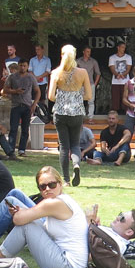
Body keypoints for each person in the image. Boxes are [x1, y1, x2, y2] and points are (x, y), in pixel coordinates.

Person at [0, 166, 88, 268]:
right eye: (42, 187)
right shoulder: (64, 199)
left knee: (27, 225)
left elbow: (18, 220)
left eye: (52, 185)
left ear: (60, 184)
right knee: (27, 218)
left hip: (69, 267)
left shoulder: (52, 203)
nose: (47, 189)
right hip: (71, 263)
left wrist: (20, 214)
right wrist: (23, 213)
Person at [48, 44, 93, 186]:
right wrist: (76, 97)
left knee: (63, 145)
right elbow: (88, 95)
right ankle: (76, 165)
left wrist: (63, 98)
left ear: (62, 55)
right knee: (75, 144)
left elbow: (50, 96)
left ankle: (66, 180)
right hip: (77, 113)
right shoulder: (83, 72)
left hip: (61, 113)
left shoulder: (56, 73)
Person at [3, 59, 39, 158]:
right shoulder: (12, 77)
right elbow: (5, 89)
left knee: (25, 129)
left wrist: (34, 104)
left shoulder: (31, 77)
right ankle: (10, 150)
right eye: (21, 65)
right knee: (13, 128)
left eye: (24, 66)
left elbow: (37, 91)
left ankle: (22, 150)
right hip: (16, 105)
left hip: (27, 106)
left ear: (27, 66)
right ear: (18, 66)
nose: (22, 67)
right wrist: (15, 91)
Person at [29, 44, 53, 121]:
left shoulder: (47, 60)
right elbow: (30, 70)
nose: (37, 51)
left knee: (42, 99)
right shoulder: (32, 60)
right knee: (33, 99)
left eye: (39, 49)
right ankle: (34, 115)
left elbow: (48, 71)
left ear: (42, 50)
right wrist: (35, 78)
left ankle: (42, 116)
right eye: (36, 50)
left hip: (43, 82)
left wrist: (39, 77)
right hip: (34, 83)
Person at [108, 42, 133, 116]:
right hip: (115, 82)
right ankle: (115, 115)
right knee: (115, 99)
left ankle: (126, 114)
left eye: (124, 47)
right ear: (118, 47)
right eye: (122, 47)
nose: (123, 49)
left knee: (125, 97)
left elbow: (128, 68)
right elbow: (112, 68)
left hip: (125, 81)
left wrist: (123, 74)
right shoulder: (112, 57)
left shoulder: (128, 57)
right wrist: (117, 74)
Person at [77, 46, 101, 116]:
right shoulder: (78, 61)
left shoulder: (93, 61)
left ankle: (90, 118)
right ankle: (80, 116)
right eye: (87, 51)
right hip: (80, 84)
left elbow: (98, 73)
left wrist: (95, 84)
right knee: (79, 101)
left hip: (90, 83)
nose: (89, 53)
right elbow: (73, 72)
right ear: (83, 52)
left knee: (91, 101)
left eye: (89, 52)